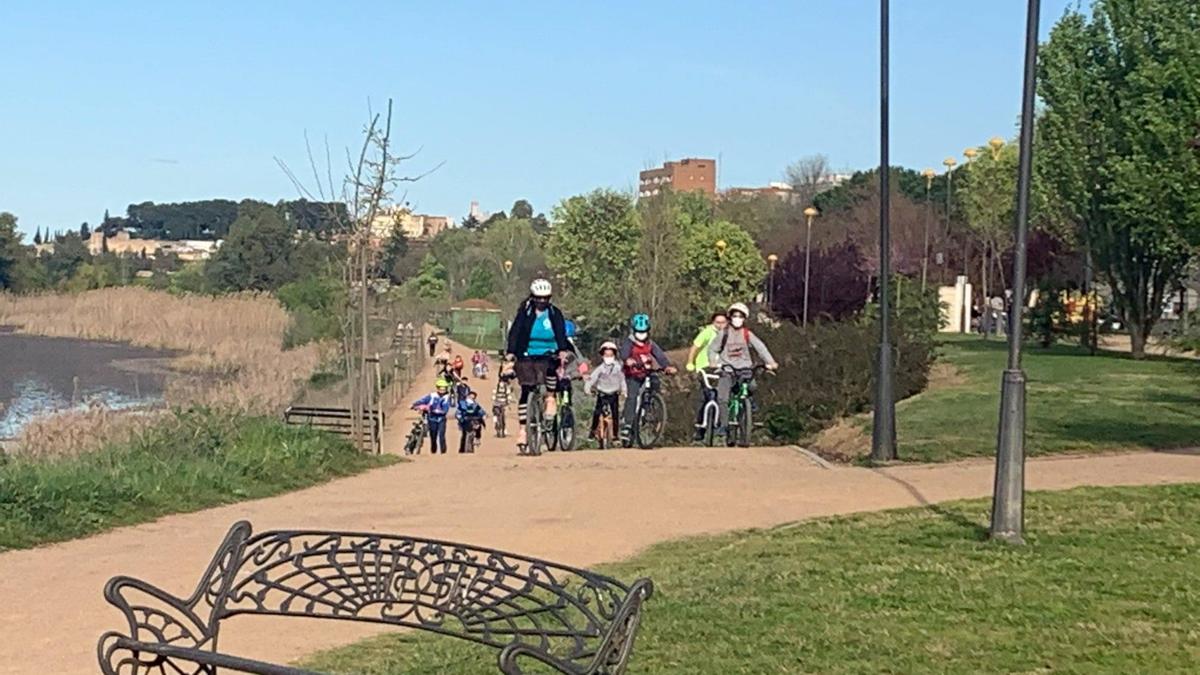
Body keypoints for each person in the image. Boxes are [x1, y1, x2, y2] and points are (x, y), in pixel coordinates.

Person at [505, 278, 573, 454]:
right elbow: (515, 333)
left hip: (549, 352)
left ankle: (550, 397)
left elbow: (560, 333)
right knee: (526, 389)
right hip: (527, 352)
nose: (542, 302)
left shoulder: (554, 313)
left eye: (545, 298)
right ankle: (523, 431)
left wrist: (562, 350)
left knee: (551, 367)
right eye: (538, 298)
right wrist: (511, 352)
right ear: (533, 297)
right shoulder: (525, 312)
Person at [707, 302, 778, 437]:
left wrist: (770, 362)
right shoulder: (724, 333)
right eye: (735, 316)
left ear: (744, 318)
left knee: (752, 386)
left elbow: (760, 348)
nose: (737, 318)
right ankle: (724, 425)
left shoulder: (747, 334)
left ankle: (748, 406)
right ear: (730, 317)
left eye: (740, 316)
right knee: (723, 398)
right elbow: (712, 349)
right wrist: (712, 361)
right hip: (727, 369)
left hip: (745, 368)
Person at [618, 313, 675, 444]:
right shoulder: (629, 342)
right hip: (633, 374)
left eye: (644, 332)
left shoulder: (650, 344)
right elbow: (624, 354)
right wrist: (628, 360)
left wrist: (667, 367)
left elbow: (660, 356)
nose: (641, 334)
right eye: (639, 332)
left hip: (647, 372)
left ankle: (652, 405)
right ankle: (627, 424)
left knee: (655, 382)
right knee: (632, 396)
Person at [685, 311, 728, 441]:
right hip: (705, 367)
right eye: (717, 322)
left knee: (723, 396)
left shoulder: (728, 334)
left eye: (723, 322)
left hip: (721, 368)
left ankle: (722, 426)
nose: (720, 325)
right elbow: (695, 347)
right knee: (706, 396)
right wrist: (690, 362)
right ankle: (700, 427)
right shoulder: (707, 332)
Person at [584, 341, 626, 443]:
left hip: (614, 394)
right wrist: (587, 389)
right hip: (602, 393)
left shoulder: (618, 368)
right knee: (597, 413)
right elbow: (592, 379)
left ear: (614, 356)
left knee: (615, 415)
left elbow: (622, 380)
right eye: (606, 355)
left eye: (611, 355)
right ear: (602, 356)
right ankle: (593, 431)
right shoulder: (600, 369)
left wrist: (624, 390)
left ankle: (615, 436)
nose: (608, 357)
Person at [411, 379, 453, 454]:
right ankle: (433, 451)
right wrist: (414, 405)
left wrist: (433, 409)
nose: (442, 390)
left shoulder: (447, 397)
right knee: (433, 436)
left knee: (441, 436)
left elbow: (445, 408)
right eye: (441, 388)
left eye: (444, 388)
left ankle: (443, 452)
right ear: (437, 388)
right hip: (432, 418)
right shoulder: (432, 395)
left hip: (441, 419)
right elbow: (422, 401)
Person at [492, 359, 516, 436]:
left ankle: (501, 427)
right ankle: (496, 424)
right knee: (496, 413)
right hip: (498, 401)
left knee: (502, 416)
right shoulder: (500, 387)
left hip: (502, 401)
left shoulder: (504, 386)